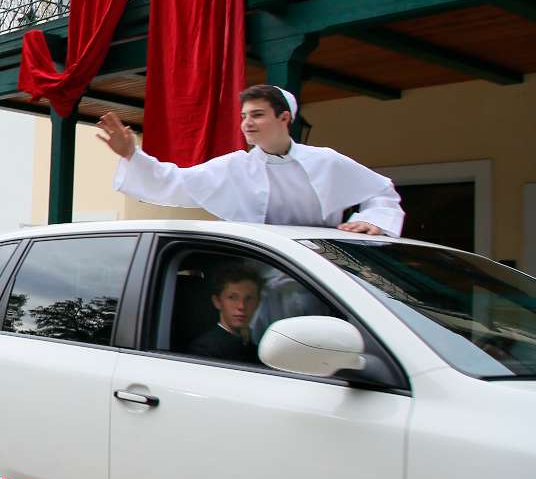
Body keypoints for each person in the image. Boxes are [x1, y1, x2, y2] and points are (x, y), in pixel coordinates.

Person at [97, 84, 404, 236]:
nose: (247, 123)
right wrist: (131, 154)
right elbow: (174, 181)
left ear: (284, 118)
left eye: (257, 115)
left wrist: (372, 222)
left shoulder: (326, 161)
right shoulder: (234, 167)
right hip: (257, 279)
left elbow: (382, 192)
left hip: (322, 274)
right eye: (244, 116)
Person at [187, 265, 262, 364]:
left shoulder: (257, 350)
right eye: (232, 297)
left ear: (257, 303)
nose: (241, 306)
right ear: (217, 302)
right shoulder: (204, 350)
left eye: (249, 299)